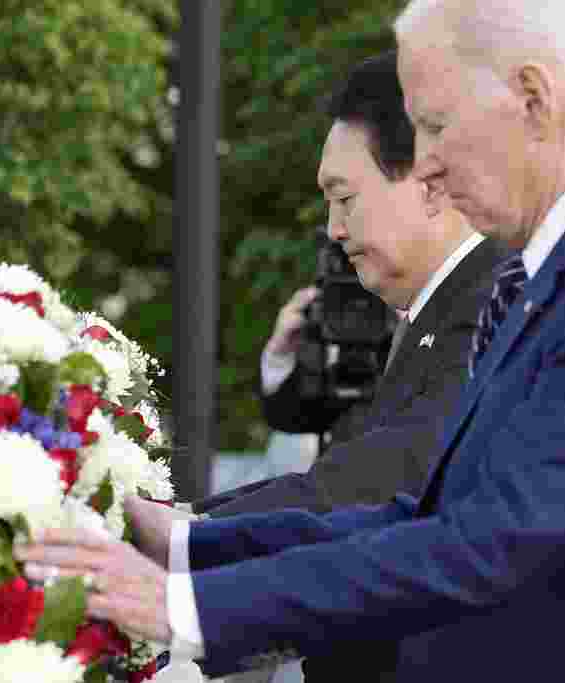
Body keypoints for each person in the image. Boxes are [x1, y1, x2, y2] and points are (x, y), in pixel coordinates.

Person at [17, 2, 565, 680]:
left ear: (534, 98)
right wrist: (185, 549)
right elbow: (429, 518)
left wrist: (180, 606)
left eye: (436, 125)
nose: (431, 164)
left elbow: (481, 547)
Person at [193, 52, 506, 521]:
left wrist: (189, 530)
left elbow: (383, 479)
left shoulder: (493, 307)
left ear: (431, 185)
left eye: (344, 198)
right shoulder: (445, 308)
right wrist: (188, 519)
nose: (335, 229)